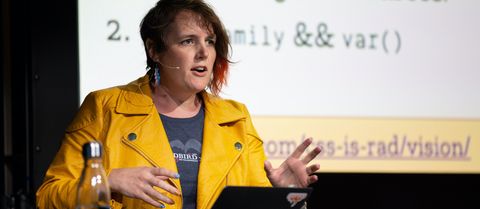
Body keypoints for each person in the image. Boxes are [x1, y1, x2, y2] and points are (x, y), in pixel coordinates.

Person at [36, 0, 321, 208]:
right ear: (154, 50)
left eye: (209, 41)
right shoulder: (105, 107)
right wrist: (106, 181)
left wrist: (283, 196)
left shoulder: (236, 118)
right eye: (188, 41)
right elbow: (48, 197)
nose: (203, 53)